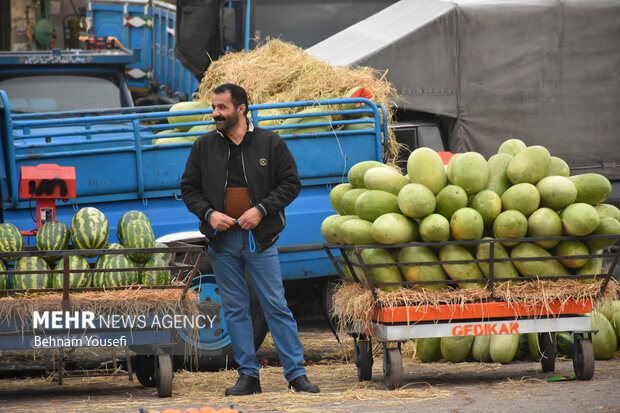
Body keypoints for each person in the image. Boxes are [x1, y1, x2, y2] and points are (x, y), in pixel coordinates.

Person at [180, 83, 320, 395]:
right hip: (222, 240)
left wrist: (261, 210)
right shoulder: (203, 146)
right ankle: (248, 377)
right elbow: (189, 188)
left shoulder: (269, 142)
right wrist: (209, 214)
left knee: (275, 305)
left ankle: (296, 375)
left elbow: (290, 184)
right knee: (235, 308)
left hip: (260, 238)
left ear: (241, 109)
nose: (215, 113)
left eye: (222, 108)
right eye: (214, 107)